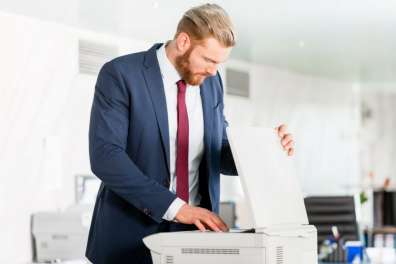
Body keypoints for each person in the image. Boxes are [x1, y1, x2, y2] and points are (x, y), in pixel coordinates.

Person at [86, 3, 294, 264]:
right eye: (208, 59)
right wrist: (178, 209)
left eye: (219, 63)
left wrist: (265, 150)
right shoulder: (121, 74)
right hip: (129, 239)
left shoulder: (211, 83)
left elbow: (217, 149)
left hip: (196, 239)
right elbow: (106, 156)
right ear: (183, 41)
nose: (213, 71)